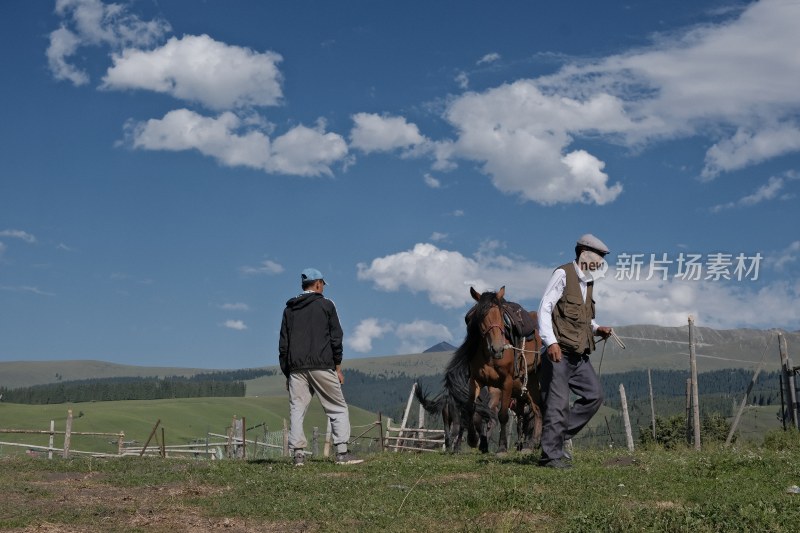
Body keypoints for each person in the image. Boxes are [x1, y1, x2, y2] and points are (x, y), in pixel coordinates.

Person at [537, 234, 613, 468]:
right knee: (558, 404)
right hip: (559, 353)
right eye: (598, 256)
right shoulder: (563, 274)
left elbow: (583, 317)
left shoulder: (588, 283)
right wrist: (550, 343)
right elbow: (544, 308)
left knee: (594, 396)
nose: (600, 262)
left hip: (579, 355)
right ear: (583, 253)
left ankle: (554, 440)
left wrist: (597, 328)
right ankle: (550, 456)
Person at [279, 268, 363, 466]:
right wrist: (338, 367)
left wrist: (287, 372)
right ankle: (342, 453)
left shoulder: (289, 309)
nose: (323, 287)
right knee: (337, 408)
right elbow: (336, 337)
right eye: (323, 284)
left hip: (296, 368)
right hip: (322, 365)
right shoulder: (327, 305)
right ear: (318, 284)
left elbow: (284, 344)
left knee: (297, 409)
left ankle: (298, 455)